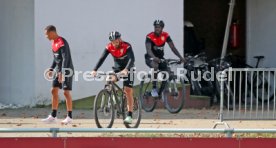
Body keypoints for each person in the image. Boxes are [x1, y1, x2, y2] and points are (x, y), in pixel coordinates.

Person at [91, 31, 135, 124]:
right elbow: (101, 58)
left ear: (120, 39)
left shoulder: (127, 46)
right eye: (113, 42)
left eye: (116, 41)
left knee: (127, 90)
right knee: (109, 79)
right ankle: (111, 99)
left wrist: (126, 69)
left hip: (128, 68)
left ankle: (129, 115)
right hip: (117, 69)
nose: (114, 43)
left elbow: (132, 59)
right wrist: (95, 69)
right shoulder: (109, 47)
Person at [42, 25, 74, 124]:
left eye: (47, 34)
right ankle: (53, 116)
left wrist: (62, 72)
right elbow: (56, 59)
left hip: (67, 70)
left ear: (52, 32)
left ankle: (69, 117)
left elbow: (65, 58)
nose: (46, 36)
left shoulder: (61, 42)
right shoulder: (53, 43)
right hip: (58, 70)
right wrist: (51, 69)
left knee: (66, 92)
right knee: (53, 90)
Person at [145, 20, 185, 97]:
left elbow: (172, 47)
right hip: (150, 57)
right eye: (155, 27)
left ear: (162, 28)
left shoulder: (166, 35)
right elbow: (148, 50)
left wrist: (180, 57)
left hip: (160, 58)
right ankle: (154, 89)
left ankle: (159, 93)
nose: (157, 28)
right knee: (155, 66)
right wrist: (154, 57)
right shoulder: (149, 36)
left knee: (167, 72)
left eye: (159, 27)